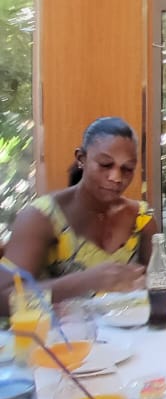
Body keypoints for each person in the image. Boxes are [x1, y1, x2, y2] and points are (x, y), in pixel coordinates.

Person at [0, 116, 153, 313]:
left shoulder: (142, 219)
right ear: (81, 159)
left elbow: (158, 288)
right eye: (106, 165)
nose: (116, 178)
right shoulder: (41, 218)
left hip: (131, 339)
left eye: (127, 169)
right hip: (59, 339)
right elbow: (3, 299)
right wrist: (86, 281)